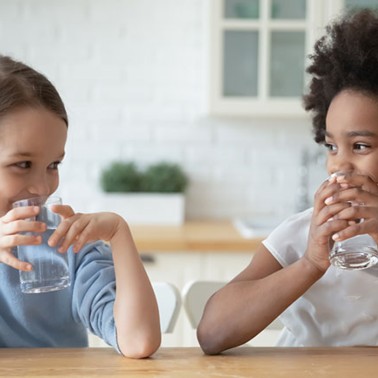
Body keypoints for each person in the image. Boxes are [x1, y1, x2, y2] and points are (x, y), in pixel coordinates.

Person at [197, 8, 378, 354]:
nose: (339, 164)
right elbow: (212, 332)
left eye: (360, 146)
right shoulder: (303, 234)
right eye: (331, 146)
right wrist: (310, 263)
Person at [0, 55, 161, 358]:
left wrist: (119, 234)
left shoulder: (67, 249)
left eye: (53, 165)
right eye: (22, 164)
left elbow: (138, 342)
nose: (43, 187)